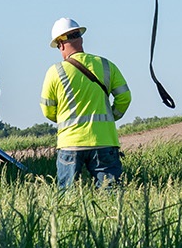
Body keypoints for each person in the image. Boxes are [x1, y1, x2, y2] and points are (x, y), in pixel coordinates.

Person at [39, 17, 130, 189]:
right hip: (104, 140)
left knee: (67, 196)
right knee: (111, 194)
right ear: (80, 39)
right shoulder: (106, 65)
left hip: (70, 143)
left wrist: (63, 119)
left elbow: (47, 109)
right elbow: (125, 97)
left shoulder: (55, 71)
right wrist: (112, 116)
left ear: (61, 44)